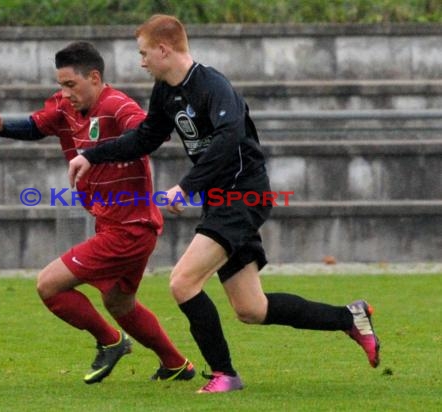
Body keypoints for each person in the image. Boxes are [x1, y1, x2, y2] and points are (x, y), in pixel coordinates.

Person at [68, 15, 380, 393]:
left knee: (183, 282)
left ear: (164, 49)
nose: (142, 61)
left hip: (243, 194)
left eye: (144, 53)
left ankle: (224, 374)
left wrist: (186, 187)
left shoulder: (212, 85)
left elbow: (228, 138)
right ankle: (350, 317)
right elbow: (146, 137)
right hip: (221, 199)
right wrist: (92, 155)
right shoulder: (166, 91)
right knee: (252, 308)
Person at [0, 41, 195, 385]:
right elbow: (36, 126)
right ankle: (176, 364)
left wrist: (101, 152)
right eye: (61, 85)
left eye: (70, 85)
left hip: (129, 229)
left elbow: (146, 132)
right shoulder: (64, 107)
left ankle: (111, 341)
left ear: (94, 77)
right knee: (120, 303)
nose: (64, 93)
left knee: (49, 285)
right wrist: (0, 126)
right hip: (119, 225)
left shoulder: (116, 104)